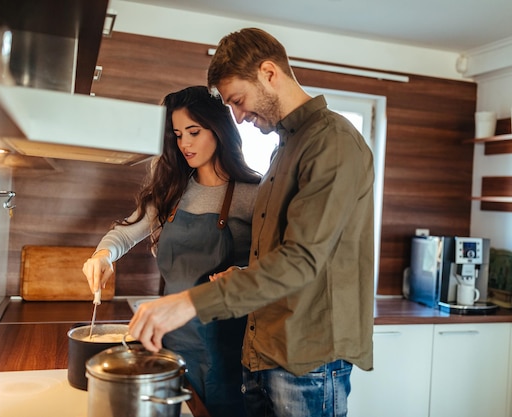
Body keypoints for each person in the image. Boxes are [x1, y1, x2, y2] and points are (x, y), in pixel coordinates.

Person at [129, 28, 375, 417]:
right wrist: (241, 270)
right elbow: (284, 254)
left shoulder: (333, 142)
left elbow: (302, 260)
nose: (239, 118)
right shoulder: (286, 148)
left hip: (306, 360)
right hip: (264, 351)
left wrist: (191, 302)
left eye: (238, 101)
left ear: (269, 72)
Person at [82, 85, 260, 417]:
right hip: (171, 342)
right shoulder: (172, 191)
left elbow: (275, 264)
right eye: (178, 134)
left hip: (230, 346)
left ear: (219, 130)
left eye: (193, 132)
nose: (185, 144)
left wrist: (240, 274)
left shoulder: (255, 194)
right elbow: (123, 234)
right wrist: (101, 256)